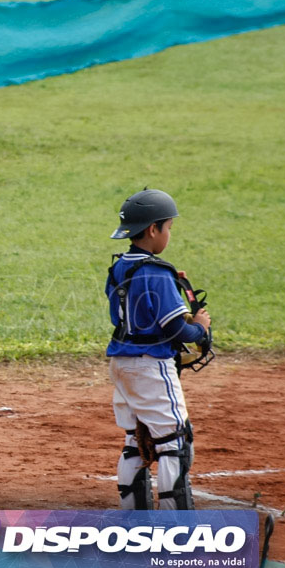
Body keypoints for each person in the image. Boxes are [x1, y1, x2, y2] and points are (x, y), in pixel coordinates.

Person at [106, 188, 211, 510]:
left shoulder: (121, 266)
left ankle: (134, 518)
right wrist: (201, 328)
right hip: (150, 365)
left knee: (137, 440)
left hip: (121, 362)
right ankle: (176, 528)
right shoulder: (158, 272)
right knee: (173, 442)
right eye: (168, 227)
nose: (169, 234)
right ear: (153, 229)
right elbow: (176, 328)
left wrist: (166, 281)